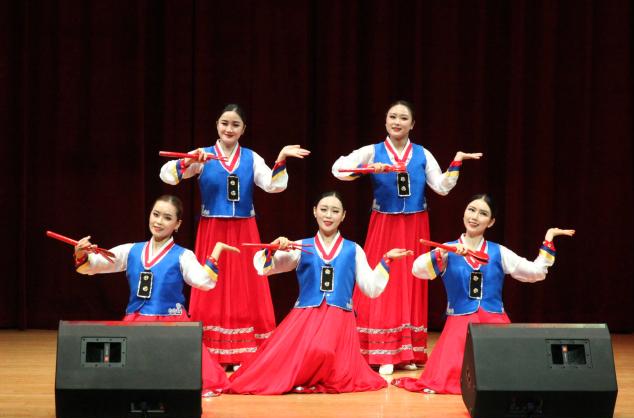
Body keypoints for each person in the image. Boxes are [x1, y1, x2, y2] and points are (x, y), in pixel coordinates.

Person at [332, 100, 482, 375]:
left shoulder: (422, 154)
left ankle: (408, 351)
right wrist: (366, 169)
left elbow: (442, 187)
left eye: (403, 118)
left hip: (416, 224)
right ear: (386, 121)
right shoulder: (372, 151)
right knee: (384, 279)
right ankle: (383, 350)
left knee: (411, 282)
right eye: (392, 117)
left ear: (412, 124)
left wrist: (457, 160)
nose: (397, 122)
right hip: (385, 223)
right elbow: (338, 169)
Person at [160, 104, 310, 369]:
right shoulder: (203, 155)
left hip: (244, 229)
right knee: (211, 282)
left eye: (235, 124)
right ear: (217, 124)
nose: (229, 129)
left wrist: (282, 157)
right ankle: (212, 351)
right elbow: (168, 176)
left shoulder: (251, 158)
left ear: (243, 129)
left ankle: (245, 351)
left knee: (245, 285)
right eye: (224, 123)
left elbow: (274, 185)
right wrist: (189, 160)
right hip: (212, 229)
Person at [227, 191, 413, 395]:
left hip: (339, 317)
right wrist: (273, 249)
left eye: (335, 211)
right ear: (315, 212)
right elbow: (265, 268)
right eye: (323, 210)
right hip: (305, 315)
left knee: (321, 350)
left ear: (343, 216)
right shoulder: (300, 246)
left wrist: (386, 261)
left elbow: (371, 287)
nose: (328, 215)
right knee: (277, 359)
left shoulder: (353, 249)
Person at [392, 193, 575, 394]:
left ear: (491, 222)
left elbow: (536, 273)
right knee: (447, 380)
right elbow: (417, 270)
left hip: (494, 324)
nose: (475, 217)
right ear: (464, 213)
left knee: (508, 379)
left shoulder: (499, 252)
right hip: (459, 325)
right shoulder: (447, 250)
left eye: (483, 213)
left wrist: (548, 238)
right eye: (471, 210)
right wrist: (444, 251)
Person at [73, 194, 240, 396]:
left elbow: (204, 281)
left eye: (167, 218)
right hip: (136, 321)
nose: (159, 222)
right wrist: (81, 254)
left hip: (171, 324)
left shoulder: (183, 255)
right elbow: (93, 266)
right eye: (156, 214)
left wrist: (216, 251)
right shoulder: (131, 250)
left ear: (177, 224)